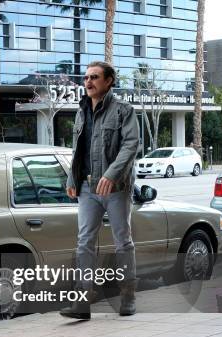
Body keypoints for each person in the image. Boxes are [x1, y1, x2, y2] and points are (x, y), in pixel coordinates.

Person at [60, 61, 140, 320]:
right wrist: (72, 178)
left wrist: (111, 174)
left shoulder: (123, 111)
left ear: (108, 81)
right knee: (84, 242)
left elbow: (131, 145)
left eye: (94, 77)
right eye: (85, 78)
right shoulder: (81, 111)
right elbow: (77, 149)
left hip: (116, 188)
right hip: (86, 186)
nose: (88, 82)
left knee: (122, 241)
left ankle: (128, 296)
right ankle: (82, 302)